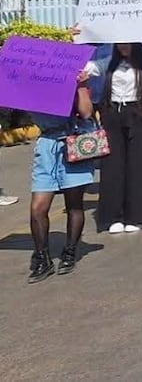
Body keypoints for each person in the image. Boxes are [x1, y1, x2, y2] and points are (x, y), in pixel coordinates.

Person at [85, 40, 142, 234]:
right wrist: (76, 43)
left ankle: (138, 215)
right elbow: (88, 69)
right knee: (113, 164)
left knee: (139, 165)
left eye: (127, 43)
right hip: (113, 114)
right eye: (119, 43)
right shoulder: (108, 62)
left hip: (139, 113)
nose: (123, 47)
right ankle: (114, 215)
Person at [27, 69, 95, 282]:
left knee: (74, 204)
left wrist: (81, 86)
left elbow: (86, 113)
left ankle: (70, 251)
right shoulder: (29, 87)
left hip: (72, 142)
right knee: (38, 207)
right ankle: (42, 257)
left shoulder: (73, 82)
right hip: (47, 145)